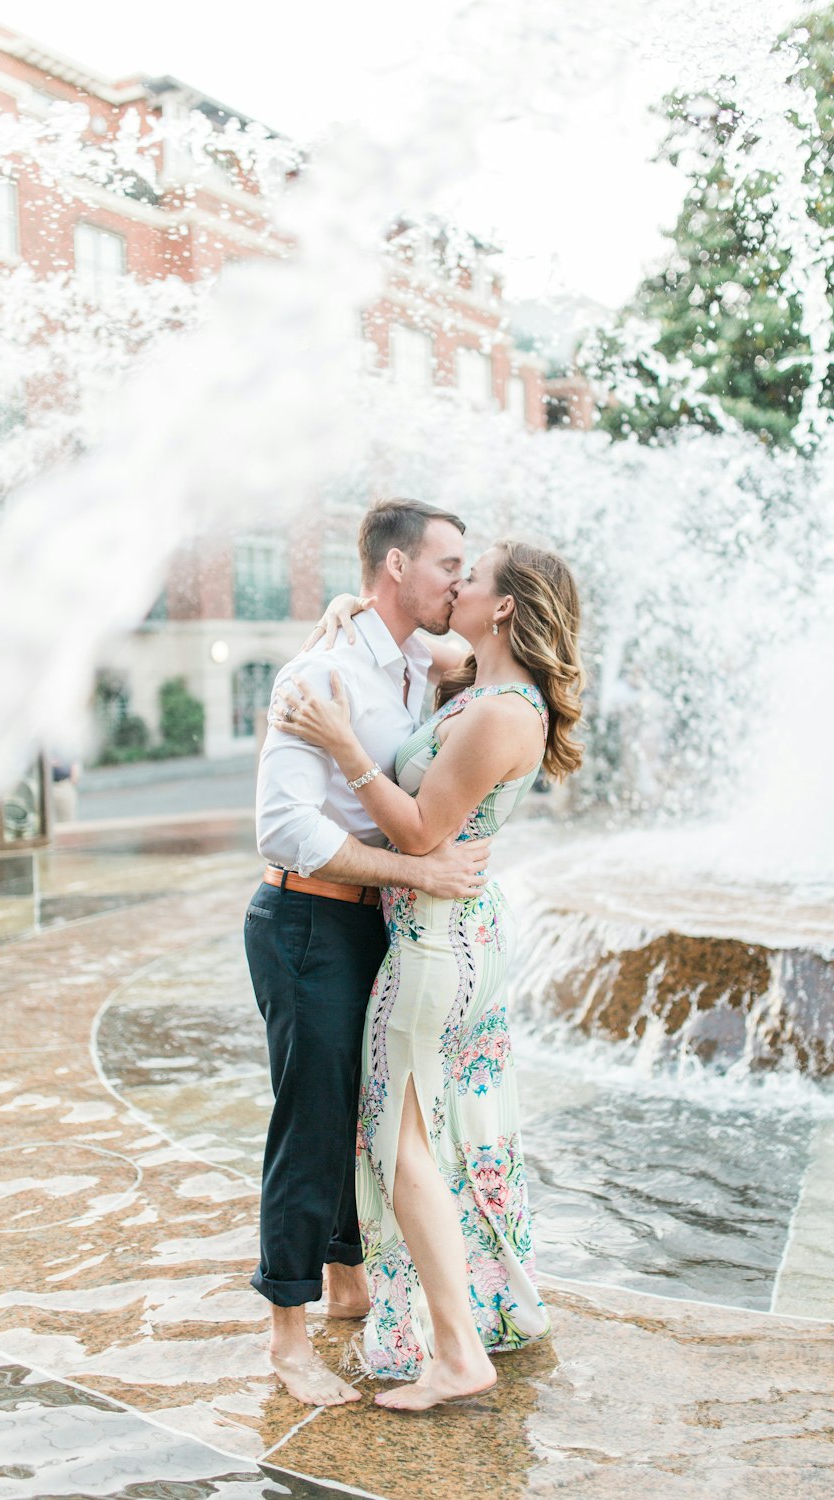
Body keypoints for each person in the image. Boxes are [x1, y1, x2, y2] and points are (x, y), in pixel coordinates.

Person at [272, 538, 585, 1412]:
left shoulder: (500, 714)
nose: (456, 587)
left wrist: (340, 741)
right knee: (447, 1134)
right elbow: (417, 637)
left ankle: (456, 1354)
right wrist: (348, 607)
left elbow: (417, 834)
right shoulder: (479, 677)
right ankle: (480, 1313)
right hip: (449, 933)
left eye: (471, 578)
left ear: (506, 607)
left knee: (402, 1138)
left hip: (434, 943)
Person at [246, 498, 493, 1409]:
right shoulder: (322, 674)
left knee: (362, 1115)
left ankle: (347, 1278)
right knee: (310, 1120)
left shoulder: (406, 656)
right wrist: (414, 871)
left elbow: (484, 656)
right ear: (396, 566)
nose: (460, 583)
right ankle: (285, 1336)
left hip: (366, 923)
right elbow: (281, 828)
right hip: (305, 920)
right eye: (447, 566)